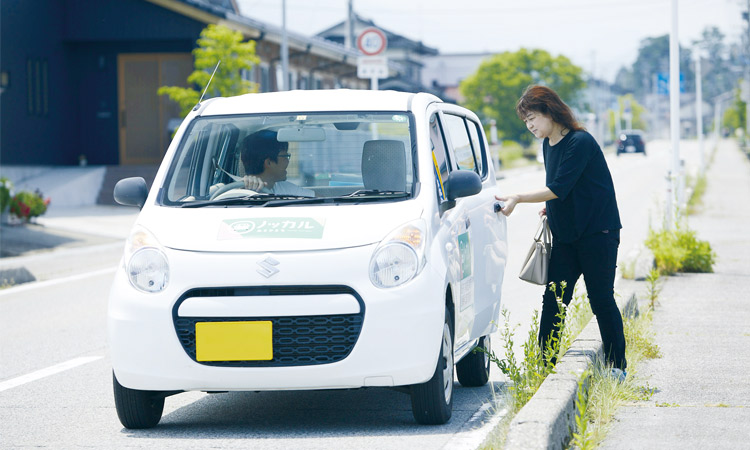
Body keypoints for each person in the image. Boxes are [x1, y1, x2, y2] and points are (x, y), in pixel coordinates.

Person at [496, 85, 627, 380]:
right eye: (526, 121)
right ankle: (544, 367)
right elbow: (561, 189)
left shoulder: (579, 142)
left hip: (598, 232)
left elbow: (558, 188)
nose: (529, 126)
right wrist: (549, 209)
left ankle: (618, 367)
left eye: (532, 118)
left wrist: (517, 197)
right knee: (554, 299)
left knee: (601, 299)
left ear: (549, 111)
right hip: (567, 236)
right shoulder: (548, 144)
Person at [240, 130, 314, 197]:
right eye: (285, 156)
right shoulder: (238, 193)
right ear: (269, 162)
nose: (288, 161)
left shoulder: (282, 187)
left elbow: (320, 199)